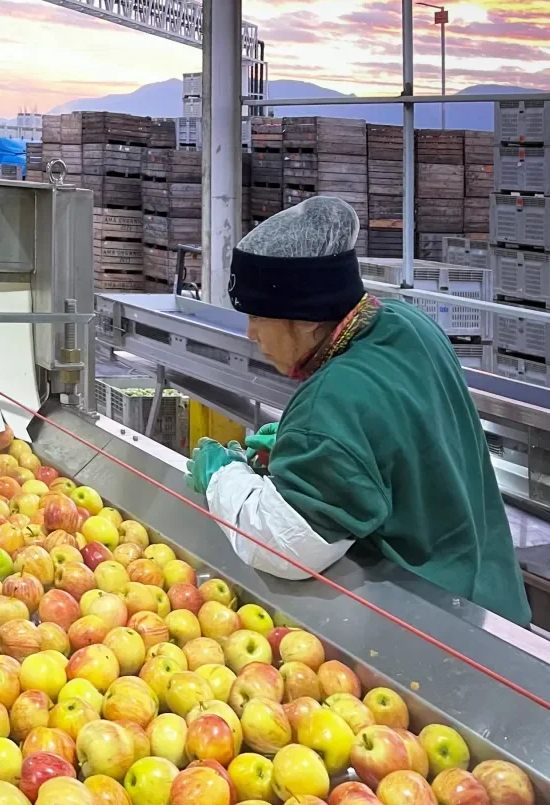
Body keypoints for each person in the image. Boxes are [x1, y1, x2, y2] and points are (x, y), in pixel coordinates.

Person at [185, 195, 530, 626]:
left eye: (259, 316)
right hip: (493, 600)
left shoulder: (331, 403)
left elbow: (285, 545)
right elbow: (396, 432)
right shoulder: (408, 325)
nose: (251, 332)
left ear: (308, 317)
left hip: (434, 626)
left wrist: (223, 475)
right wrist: (312, 453)